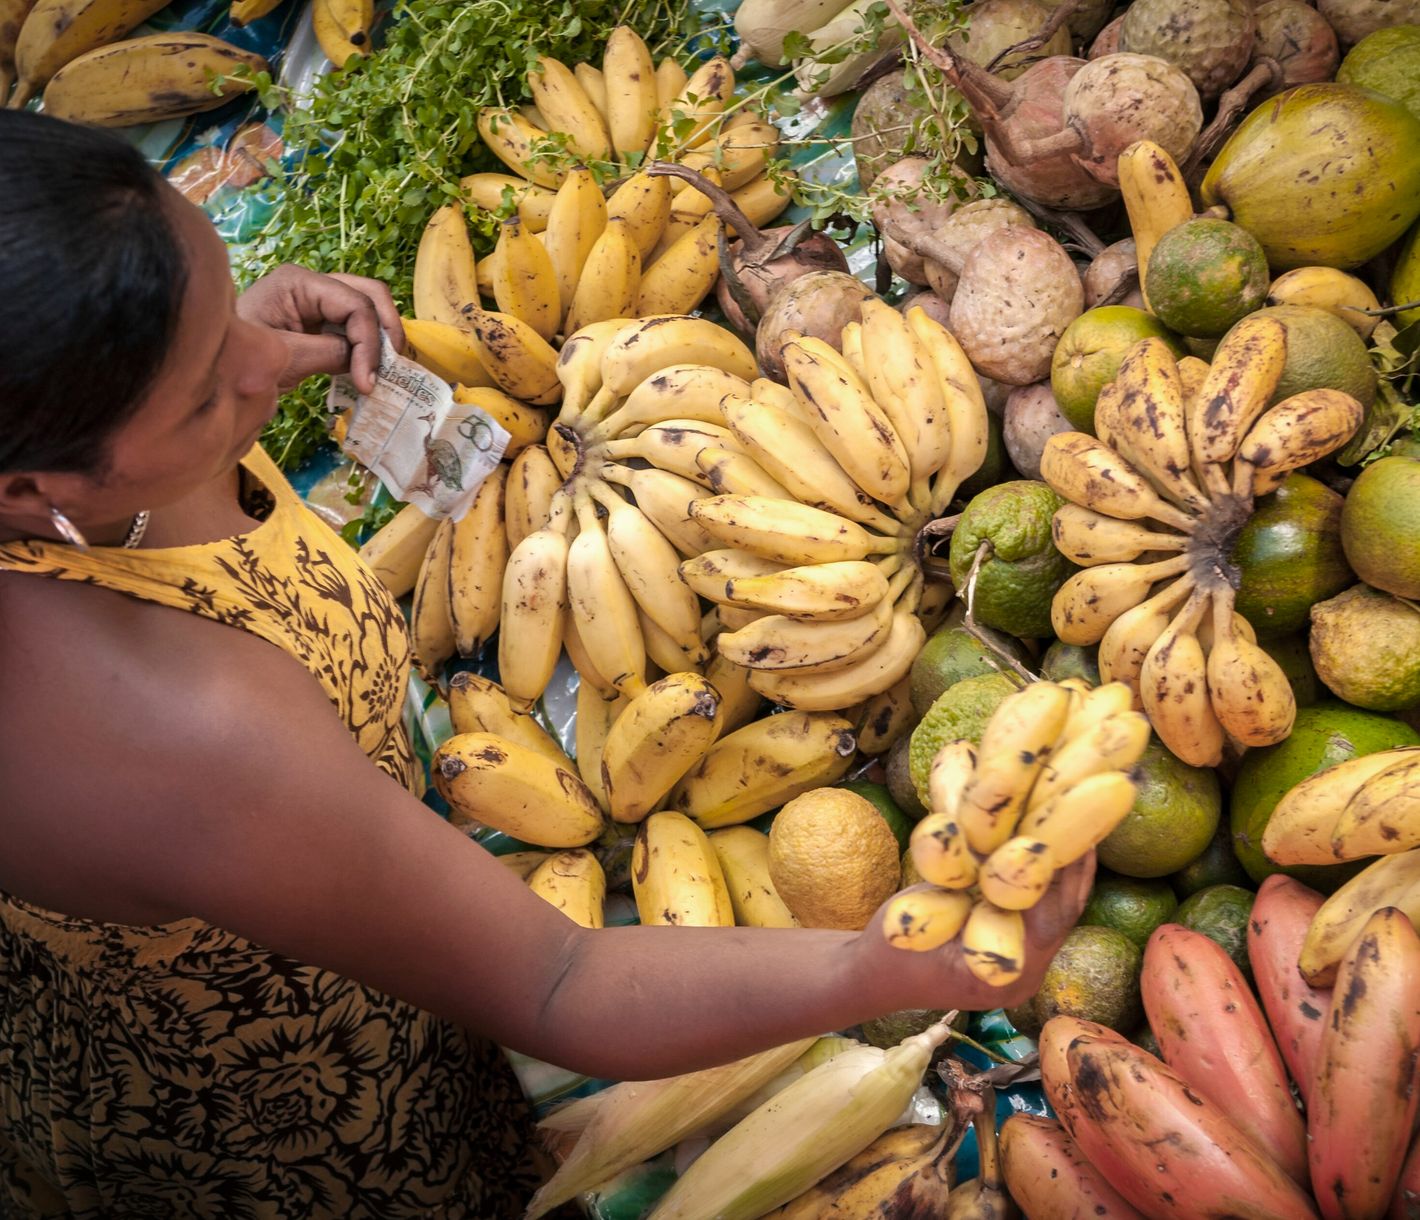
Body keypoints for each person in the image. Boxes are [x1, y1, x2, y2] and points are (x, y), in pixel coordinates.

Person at [0, 108, 1092, 1219]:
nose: (276, 359)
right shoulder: (162, 731)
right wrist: (883, 965)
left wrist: (226, 337)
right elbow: (557, 977)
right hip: (298, 1097)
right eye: (204, 389)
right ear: (30, 491)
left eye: (226, 298)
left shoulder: (84, 447)